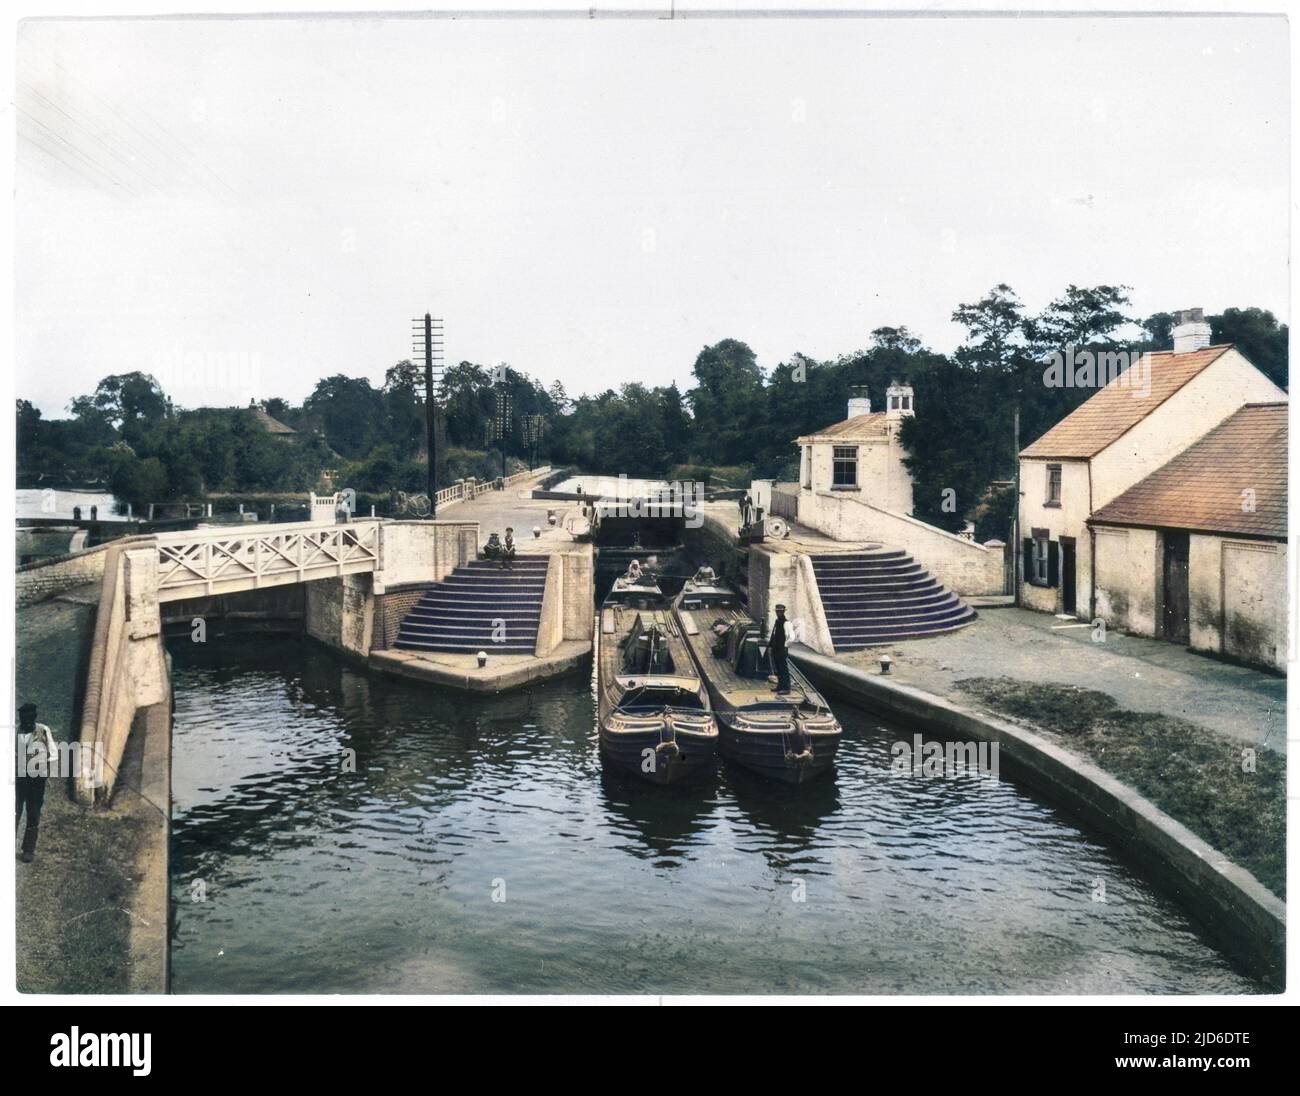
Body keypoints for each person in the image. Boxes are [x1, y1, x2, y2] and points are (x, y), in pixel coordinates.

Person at [15, 703, 56, 864]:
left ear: (34, 718)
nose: (25, 721)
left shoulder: (43, 730)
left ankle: (28, 849)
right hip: (18, 779)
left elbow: (53, 754)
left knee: (33, 813)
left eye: (28, 718)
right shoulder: (15, 732)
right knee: (14, 812)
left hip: (37, 779)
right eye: (22, 718)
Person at [769, 605, 790, 693]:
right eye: (777, 611)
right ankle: (780, 686)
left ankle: (786, 688)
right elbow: (774, 633)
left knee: (783, 668)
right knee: (778, 668)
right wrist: (770, 644)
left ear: (783, 612)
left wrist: (784, 647)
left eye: (780, 611)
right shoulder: (777, 621)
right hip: (776, 649)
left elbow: (789, 637)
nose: (778, 613)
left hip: (781, 649)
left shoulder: (786, 623)